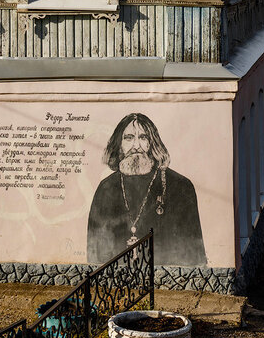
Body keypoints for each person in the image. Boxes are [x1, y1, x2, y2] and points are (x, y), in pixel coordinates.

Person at [86, 113, 207, 267]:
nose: (136, 146)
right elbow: (95, 252)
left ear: (153, 143)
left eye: (143, 138)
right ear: (119, 144)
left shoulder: (180, 186)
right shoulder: (106, 188)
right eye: (129, 138)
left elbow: (193, 254)